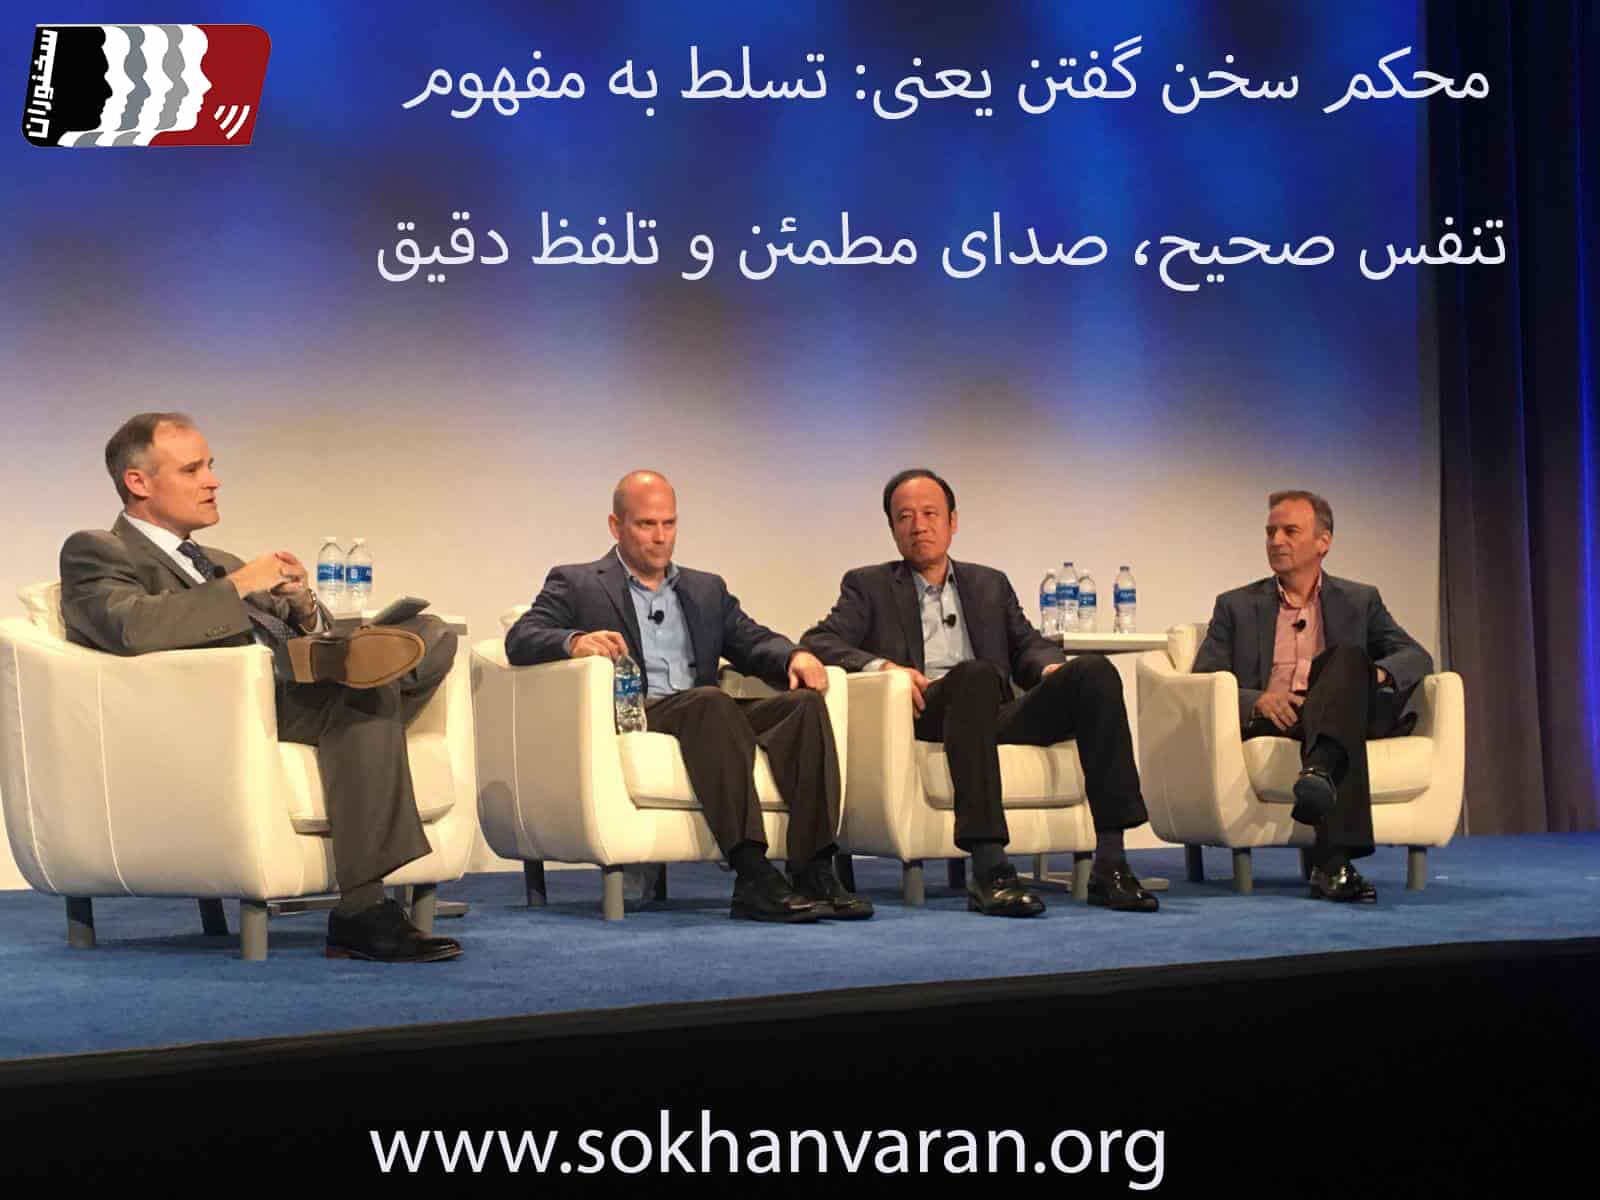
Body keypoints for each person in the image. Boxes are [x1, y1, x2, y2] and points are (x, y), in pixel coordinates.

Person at [59, 412, 462, 961]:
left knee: (429, 633)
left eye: (211, 466)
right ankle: (362, 910)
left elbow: (288, 627)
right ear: (138, 482)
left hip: (298, 692)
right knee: (367, 693)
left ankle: (365, 671)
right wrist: (241, 584)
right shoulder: (98, 550)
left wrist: (302, 606)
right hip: (226, 714)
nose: (213, 481)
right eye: (192, 470)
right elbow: (131, 628)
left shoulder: (216, 561)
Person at [505, 470, 871, 923]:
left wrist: (793, 655)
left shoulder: (705, 588)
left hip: (705, 713)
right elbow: (522, 637)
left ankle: (813, 868)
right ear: (616, 526)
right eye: (646, 524)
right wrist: (575, 641)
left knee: (802, 707)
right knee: (709, 701)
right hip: (642, 712)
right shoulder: (578, 582)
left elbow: (751, 639)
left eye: (669, 523)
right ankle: (752, 873)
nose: (660, 538)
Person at [803, 469, 1158, 916]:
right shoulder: (868, 586)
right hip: (930, 711)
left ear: (953, 521)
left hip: (994, 708)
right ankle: (990, 869)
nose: (918, 526)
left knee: (1094, 672)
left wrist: (1049, 668)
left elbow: (1026, 644)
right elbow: (819, 641)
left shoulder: (990, 583)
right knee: (974, 676)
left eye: (930, 514)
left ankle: (1112, 863)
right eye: (905, 517)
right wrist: (885, 668)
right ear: (892, 528)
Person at [1192, 490, 1433, 902]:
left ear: (1324, 542)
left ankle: (1319, 772)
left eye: (1290, 531)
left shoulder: (1361, 600)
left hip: (1341, 705)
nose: (1276, 541)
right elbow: (1205, 677)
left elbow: (1416, 656)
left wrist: (1370, 674)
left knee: (1347, 658)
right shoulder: (1235, 605)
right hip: (1282, 718)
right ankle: (1332, 860)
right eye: (1270, 532)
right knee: (1340, 727)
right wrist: (1257, 699)